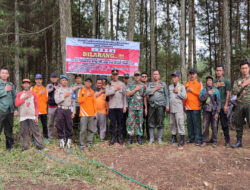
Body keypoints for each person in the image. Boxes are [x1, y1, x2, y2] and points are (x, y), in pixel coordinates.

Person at [15, 78, 45, 151]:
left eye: (27, 83)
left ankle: (40, 145)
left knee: (36, 131)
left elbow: (36, 105)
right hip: (23, 116)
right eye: (24, 83)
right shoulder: (19, 94)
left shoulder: (33, 94)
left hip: (32, 115)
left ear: (29, 85)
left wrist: (37, 116)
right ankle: (25, 146)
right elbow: (16, 104)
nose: (26, 84)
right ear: (22, 85)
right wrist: (24, 98)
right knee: (24, 132)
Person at [145, 70, 169, 144]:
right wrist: (155, 89)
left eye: (157, 74)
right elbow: (146, 93)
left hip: (160, 105)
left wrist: (167, 105)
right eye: (154, 74)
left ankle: (159, 139)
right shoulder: (149, 84)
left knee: (160, 121)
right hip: (151, 105)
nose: (155, 75)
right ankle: (151, 139)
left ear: (159, 76)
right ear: (153, 76)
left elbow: (167, 95)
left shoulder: (163, 84)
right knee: (151, 122)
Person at [105, 69, 127, 146]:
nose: (115, 76)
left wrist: (125, 106)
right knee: (112, 124)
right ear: (112, 75)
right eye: (113, 74)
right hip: (112, 107)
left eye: (116, 74)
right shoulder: (109, 85)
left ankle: (119, 138)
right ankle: (112, 138)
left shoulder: (122, 84)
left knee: (120, 123)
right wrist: (115, 89)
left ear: (118, 75)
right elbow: (107, 93)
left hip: (120, 107)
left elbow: (124, 96)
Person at [231, 61, 250, 148]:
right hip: (239, 104)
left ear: (249, 68)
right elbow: (234, 91)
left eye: (246, 68)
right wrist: (243, 85)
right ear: (240, 70)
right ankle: (239, 142)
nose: (244, 70)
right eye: (242, 68)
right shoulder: (237, 81)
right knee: (238, 123)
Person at [199, 76, 221, 148]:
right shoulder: (203, 90)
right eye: (208, 80)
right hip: (206, 111)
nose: (209, 81)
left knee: (214, 126)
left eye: (210, 80)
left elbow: (219, 103)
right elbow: (201, 99)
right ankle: (204, 140)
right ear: (206, 82)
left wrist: (217, 112)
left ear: (212, 81)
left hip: (214, 111)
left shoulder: (216, 91)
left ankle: (214, 141)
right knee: (205, 126)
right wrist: (207, 93)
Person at [54, 74, 75, 149]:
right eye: (63, 80)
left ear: (67, 81)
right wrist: (64, 96)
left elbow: (73, 101)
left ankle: (69, 140)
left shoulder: (70, 90)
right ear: (60, 81)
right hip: (60, 109)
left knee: (69, 125)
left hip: (68, 109)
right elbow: (56, 101)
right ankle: (61, 139)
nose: (64, 81)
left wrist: (73, 112)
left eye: (66, 80)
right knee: (59, 124)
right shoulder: (58, 90)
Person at [183, 69, 203, 146]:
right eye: (190, 74)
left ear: (196, 75)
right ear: (189, 75)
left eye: (193, 74)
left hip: (196, 107)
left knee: (197, 124)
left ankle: (199, 139)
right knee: (189, 124)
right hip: (188, 107)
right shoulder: (186, 84)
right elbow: (184, 96)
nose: (192, 75)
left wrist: (193, 91)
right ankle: (191, 138)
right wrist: (183, 105)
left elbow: (201, 94)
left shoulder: (199, 83)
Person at [0, 67, 18, 151]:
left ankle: (9, 146)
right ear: (0, 74)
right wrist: (4, 90)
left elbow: (14, 97)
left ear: (8, 75)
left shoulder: (11, 84)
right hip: (1, 110)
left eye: (6, 73)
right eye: (2, 72)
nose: (4, 74)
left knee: (9, 128)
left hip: (10, 111)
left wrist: (15, 109)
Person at [126, 71, 146, 145]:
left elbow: (144, 97)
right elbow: (128, 94)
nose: (137, 77)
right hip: (132, 107)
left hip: (140, 107)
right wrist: (135, 89)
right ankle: (130, 137)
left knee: (140, 122)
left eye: (138, 75)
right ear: (134, 76)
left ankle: (139, 137)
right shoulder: (130, 84)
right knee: (131, 122)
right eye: (136, 75)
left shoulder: (143, 85)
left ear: (140, 76)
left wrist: (145, 107)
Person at [213, 65, 231, 147]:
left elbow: (228, 93)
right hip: (215, 106)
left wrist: (226, 105)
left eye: (220, 70)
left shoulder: (226, 81)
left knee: (224, 124)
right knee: (214, 124)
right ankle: (214, 140)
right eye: (217, 70)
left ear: (222, 71)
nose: (218, 72)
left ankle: (227, 141)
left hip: (223, 105)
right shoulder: (213, 82)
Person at [168, 72, 187, 148]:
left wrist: (178, 92)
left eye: (175, 77)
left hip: (178, 108)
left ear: (178, 78)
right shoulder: (170, 86)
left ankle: (182, 138)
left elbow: (185, 96)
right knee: (172, 123)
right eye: (172, 77)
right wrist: (167, 106)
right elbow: (169, 97)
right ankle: (174, 137)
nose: (173, 78)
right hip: (171, 107)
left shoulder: (181, 87)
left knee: (180, 123)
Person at [78, 78, 97, 150]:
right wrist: (86, 95)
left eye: (89, 82)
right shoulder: (81, 90)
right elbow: (79, 101)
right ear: (84, 82)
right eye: (87, 82)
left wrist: (95, 112)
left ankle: (89, 143)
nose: (88, 83)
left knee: (91, 129)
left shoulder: (92, 91)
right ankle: (82, 144)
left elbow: (94, 103)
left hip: (91, 113)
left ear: (91, 84)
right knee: (83, 129)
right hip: (83, 113)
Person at [32, 74, 49, 142]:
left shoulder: (45, 89)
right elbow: (33, 99)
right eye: (37, 79)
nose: (39, 81)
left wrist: (41, 94)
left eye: (40, 79)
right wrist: (39, 94)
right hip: (35, 111)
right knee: (34, 125)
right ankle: (34, 138)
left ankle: (46, 137)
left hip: (43, 110)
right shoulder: (33, 89)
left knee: (44, 125)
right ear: (35, 80)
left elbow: (46, 100)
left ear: (42, 80)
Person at [46, 72, 60, 139]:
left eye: (55, 77)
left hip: (58, 106)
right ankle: (50, 136)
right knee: (50, 123)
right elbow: (47, 91)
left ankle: (59, 136)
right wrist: (54, 88)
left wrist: (57, 88)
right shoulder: (49, 85)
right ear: (50, 78)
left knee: (59, 122)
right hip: (51, 106)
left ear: (57, 78)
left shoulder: (60, 85)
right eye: (52, 77)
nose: (54, 79)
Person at [71, 74, 83, 139]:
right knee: (74, 120)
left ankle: (79, 133)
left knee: (81, 120)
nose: (78, 79)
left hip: (82, 106)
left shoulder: (83, 86)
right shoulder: (73, 86)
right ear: (75, 79)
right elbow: (70, 90)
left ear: (81, 79)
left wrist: (82, 87)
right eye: (77, 78)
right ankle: (74, 133)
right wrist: (77, 87)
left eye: (79, 78)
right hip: (75, 105)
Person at [141, 72, 149, 140]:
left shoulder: (150, 85)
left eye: (145, 76)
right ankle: (141, 135)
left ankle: (149, 135)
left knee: (149, 121)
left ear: (147, 78)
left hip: (149, 105)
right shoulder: (139, 85)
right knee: (142, 121)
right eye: (142, 76)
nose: (144, 78)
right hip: (141, 105)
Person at [122, 73, 130, 140]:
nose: (126, 79)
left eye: (127, 78)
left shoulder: (131, 86)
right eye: (125, 78)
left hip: (130, 106)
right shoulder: (121, 86)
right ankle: (124, 135)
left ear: (129, 79)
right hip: (123, 106)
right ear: (123, 78)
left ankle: (130, 134)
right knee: (123, 121)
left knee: (130, 121)